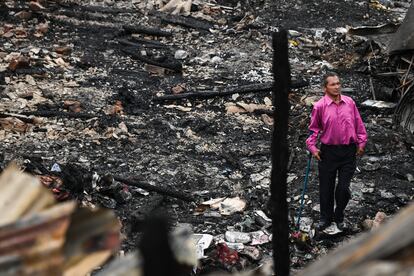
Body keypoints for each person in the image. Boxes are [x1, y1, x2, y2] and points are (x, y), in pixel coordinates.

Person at [306, 72, 368, 231]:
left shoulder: (350, 102)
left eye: (338, 83)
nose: (337, 86)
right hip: (328, 153)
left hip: (348, 152)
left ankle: (339, 214)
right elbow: (313, 130)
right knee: (326, 188)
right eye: (333, 84)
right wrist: (312, 147)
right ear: (325, 87)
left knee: (343, 188)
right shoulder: (319, 106)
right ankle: (325, 218)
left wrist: (362, 142)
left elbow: (358, 124)